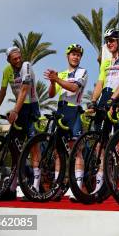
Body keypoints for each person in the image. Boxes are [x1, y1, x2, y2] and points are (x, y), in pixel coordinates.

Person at [0, 46, 40, 199]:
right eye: (14, 59)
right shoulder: (7, 71)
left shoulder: (27, 66)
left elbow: (24, 90)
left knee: (33, 145)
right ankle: (11, 188)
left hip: (31, 106)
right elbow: (2, 91)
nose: (18, 60)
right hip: (19, 106)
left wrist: (15, 111)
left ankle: (36, 186)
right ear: (8, 60)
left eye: (19, 57)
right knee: (15, 148)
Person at [88, 28, 119, 194]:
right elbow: (100, 83)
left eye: (113, 40)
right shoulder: (106, 62)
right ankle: (100, 184)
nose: (110, 43)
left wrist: (114, 99)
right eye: (107, 40)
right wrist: (93, 101)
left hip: (117, 100)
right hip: (104, 99)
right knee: (100, 143)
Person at [45, 43, 88, 197]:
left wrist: (56, 78)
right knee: (58, 151)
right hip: (60, 110)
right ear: (68, 56)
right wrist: (52, 82)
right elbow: (51, 95)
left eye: (78, 55)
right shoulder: (61, 74)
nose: (75, 57)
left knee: (76, 150)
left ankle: (76, 188)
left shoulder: (82, 72)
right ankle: (56, 188)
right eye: (73, 54)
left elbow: (73, 88)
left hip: (73, 111)